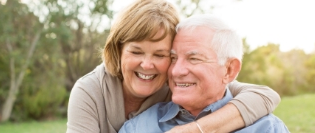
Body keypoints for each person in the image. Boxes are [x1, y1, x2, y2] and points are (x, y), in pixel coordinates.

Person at [66, 0, 281, 133]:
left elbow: (264, 95)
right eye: (136, 51)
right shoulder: (91, 91)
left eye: (161, 55)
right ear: (118, 50)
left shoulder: (178, 83)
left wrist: (197, 130)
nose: (147, 64)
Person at [119, 15, 289, 133]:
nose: (176, 71)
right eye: (173, 58)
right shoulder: (138, 128)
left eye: (193, 58)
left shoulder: (267, 128)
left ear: (229, 70)